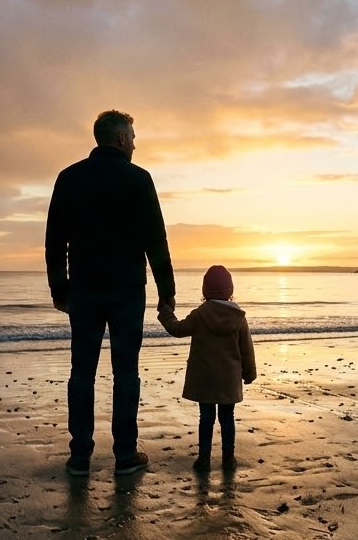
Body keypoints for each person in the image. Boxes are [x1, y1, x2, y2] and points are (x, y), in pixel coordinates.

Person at [46, 110, 175, 477]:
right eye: (132, 136)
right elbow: (156, 240)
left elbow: (55, 239)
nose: (135, 143)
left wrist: (59, 287)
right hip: (126, 291)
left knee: (82, 372)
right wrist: (167, 292)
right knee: (126, 372)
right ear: (120, 139)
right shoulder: (138, 179)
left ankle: (80, 456)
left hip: (84, 289)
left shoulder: (69, 178)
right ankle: (125, 455)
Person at [158, 264, 257, 472]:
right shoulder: (238, 317)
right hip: (228, 380)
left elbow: (177, 329)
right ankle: (228, 459)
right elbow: (246, 349)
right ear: (230, 290)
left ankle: (204, 459)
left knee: (206, 418)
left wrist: (166, 312)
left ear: (205, 290)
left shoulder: (200, 314)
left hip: (205, 379)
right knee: (227, 418)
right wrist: (249, 373)